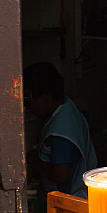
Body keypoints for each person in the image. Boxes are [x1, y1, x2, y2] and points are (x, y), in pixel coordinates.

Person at [24, 62, 97, 199]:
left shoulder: (60, 134)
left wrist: (39, 161)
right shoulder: (65, 104)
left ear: (45, 99)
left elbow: (61, 176)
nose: (27, 106)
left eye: (29, 100)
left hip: (70, 198)